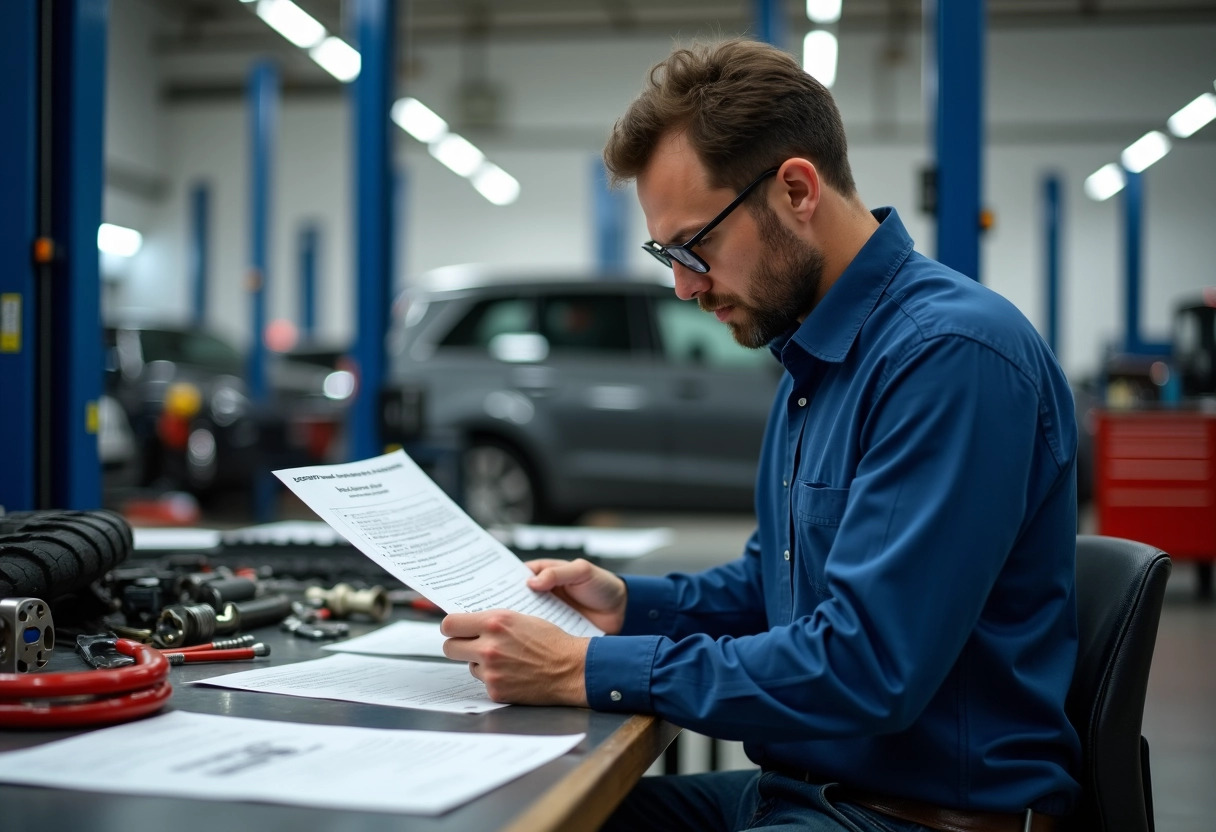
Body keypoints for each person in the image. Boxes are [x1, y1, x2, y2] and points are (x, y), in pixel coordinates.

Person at [441, 38, 1080, 832]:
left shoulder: (948, 358)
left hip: (917, 817)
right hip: (808, 794)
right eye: (664, 253)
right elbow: (773, 589)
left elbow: (868, 664)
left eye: (694, 246)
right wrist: (627, 608)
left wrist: (589, 669)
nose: (682, 285)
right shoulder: (813, 351)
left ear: (797, 190)